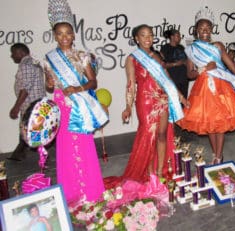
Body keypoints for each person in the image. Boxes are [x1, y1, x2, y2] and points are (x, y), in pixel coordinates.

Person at [104, 24, 188, 189]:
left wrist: (180, 96)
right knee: (149, 137)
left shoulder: (157, 57)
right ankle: (149, 174)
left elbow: (167, 79)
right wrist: (128, 106)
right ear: (137, 38)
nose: (148, 38)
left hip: (163, 99)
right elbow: (130, 84)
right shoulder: (132, 58)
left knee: (163, 135)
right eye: (143, 35)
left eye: (150, 35)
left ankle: (159, 172)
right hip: (146, 101)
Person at [45, 0, 109, 204]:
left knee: (83, 144)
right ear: (55, 36)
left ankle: (90, 190)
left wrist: (76, 89)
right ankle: (72, 192)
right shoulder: (49, 59)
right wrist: (48, 83)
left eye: (68, 33)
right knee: (65, 148)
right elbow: (50, 87)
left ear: (73, 35)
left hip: (79, 106)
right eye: (60, 33)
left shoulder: (83, 56)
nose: (64, 37)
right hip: (61, 106)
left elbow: (93, 82)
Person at [177, 6, 235, 165]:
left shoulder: (218, 46)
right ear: (196, 29)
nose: (205, 30)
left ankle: (219, 155)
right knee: (211, 124)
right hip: (203, 88)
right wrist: (203, 69)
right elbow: (189, 74)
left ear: (211, 29)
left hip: (221, 87)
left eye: (208, 27)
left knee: (220, 123)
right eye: (201, 27)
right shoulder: (191, 50)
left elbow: (230, 65)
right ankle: (215, 153)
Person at [7, 43, 46, 161]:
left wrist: (16, 107)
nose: (12, 56)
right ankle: (19, 153)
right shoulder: (33, 62)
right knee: (30, 130)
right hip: (34, 104)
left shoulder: (26, 65)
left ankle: (20, 154)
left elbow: (25, 88)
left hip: (31, 104)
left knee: (28, 130)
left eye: (13, 53)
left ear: (20, 52)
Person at [160, 29, 189, 99]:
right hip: (173, 79)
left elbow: (186, 60)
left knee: (183, 100)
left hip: (183, 79)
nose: (179, 37)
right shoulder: (165, 48)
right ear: (172, 37)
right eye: (177, 36)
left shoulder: (181, 47)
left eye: (179, 36)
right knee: (174, 100)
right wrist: (175, 64)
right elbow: (162, 65)